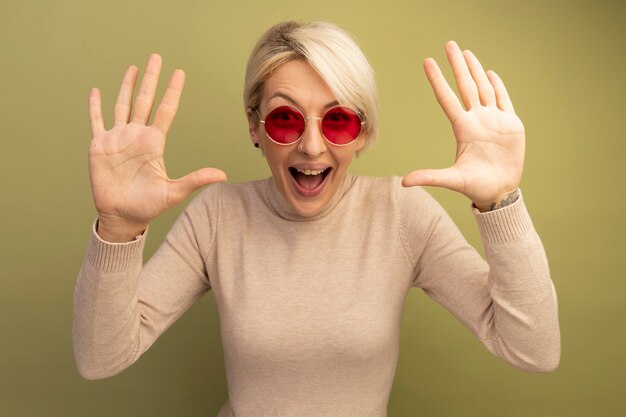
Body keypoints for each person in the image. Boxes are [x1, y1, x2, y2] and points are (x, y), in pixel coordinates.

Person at [73, 20, 560, 417]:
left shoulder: (402, 215)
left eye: (338, 120)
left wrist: (501, 202)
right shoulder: (216, 217)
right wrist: (118, 228)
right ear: (254, 127)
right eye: (285, 119)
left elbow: (533, 350)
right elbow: (101, 359)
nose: (310, 146)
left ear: (362, 133)